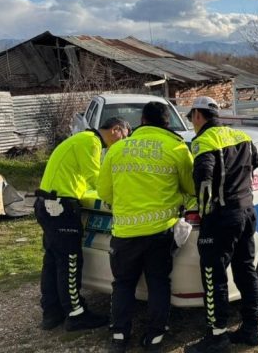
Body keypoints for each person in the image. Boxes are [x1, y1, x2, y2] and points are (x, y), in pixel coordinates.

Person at [97, 102, 195, 352]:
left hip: (125, 232)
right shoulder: (176, 147)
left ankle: (119, 336)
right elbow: (190, 188)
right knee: (158, 283)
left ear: (142, 119)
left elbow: (104, 191)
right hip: (160, 232)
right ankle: (155, 338)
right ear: (167, 122)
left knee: (122, 285)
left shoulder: (117, 149)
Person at [184, 96, 258, 353]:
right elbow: (257, 162)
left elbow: (203, 178)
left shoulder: (203, 141)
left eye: (192, 118)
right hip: (247, 211)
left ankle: (217, 336)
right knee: (245, 269)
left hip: (221, 217)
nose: (192, 124)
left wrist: (203, 207)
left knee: (213, 275)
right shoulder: (241, 135)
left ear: (198, 115)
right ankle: (252, 328)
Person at [36, 117, 129, 332]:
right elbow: (97, 179)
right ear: (116, 129)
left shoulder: (81, 139)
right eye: (124, 135)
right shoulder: (91, 142)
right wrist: (122, 194)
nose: (123, 141)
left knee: (52, 261)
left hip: (48, 203)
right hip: (61, 208)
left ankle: (51, 312)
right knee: (69, 262)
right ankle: (76, 314)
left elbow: (84, 180)